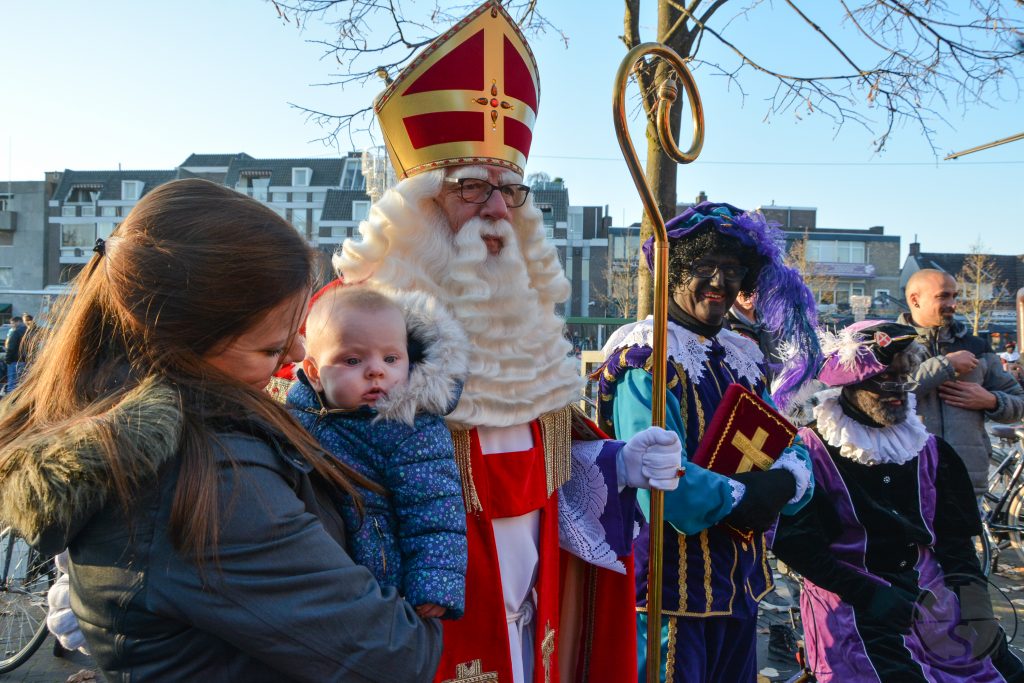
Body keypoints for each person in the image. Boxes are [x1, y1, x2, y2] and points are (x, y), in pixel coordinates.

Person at [334, 3, 683, 681]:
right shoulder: (355, 334)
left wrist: (616, 462)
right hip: (422, 629)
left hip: (536, 616)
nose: (497, 209)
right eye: (471, 187)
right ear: (415, 208)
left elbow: (539, 471)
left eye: (511, 190)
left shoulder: (523, 329)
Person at [0, 178, 442, 681]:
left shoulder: (157, 435)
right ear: (185, 344)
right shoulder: (210, 481)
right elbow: (394, 654)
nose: (298, 356)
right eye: (270, 349)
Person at [597, 202, 819, 683]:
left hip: (739, 585)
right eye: (703, 267)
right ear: (673, 274)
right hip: (670, 594)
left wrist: (784, 482)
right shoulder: (646, 360)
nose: (720, 282)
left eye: (733, 270)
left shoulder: (739, 358)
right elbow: (659, 476)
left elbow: (788, 443)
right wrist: (743, 497)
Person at [772, 320, 1024, 682]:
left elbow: (954, 543)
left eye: (903, 378)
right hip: (851, 600)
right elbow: (797, 545)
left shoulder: (930, 449)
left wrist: (973, 601)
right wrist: (870, 594)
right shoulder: (809, 451)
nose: (897, 391)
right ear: (850, 382)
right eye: (883, 379)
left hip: (933, 599)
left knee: (999, 668)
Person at [288, 283, 469, 620]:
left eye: (390, 358)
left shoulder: (410, 431)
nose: (376, 371)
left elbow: (435, 513)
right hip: (310, 569)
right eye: (353, 360)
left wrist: (433, 585)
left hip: (378, 581)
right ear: (313, 373)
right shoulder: (297, 413)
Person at [898, 269, 1024, 494]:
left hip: (965, 483)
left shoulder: (977, 347)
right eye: (943, 296)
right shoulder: (889, 345)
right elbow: (883, 396)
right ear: (914, 299)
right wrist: (944, 366)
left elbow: (1019, 402)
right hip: (906, 479)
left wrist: (992, 401)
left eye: (955, 296)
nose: (953, 303)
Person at [3, 315, 26, 393]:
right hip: (24, 360)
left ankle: (10, 400)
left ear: (18, 322)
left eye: (13, 323)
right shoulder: (28, 331)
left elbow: (11, 348)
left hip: (14, 360)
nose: (12, 325)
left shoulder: (15, 332)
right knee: (22, 381)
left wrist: (7, 359)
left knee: (12, 382)